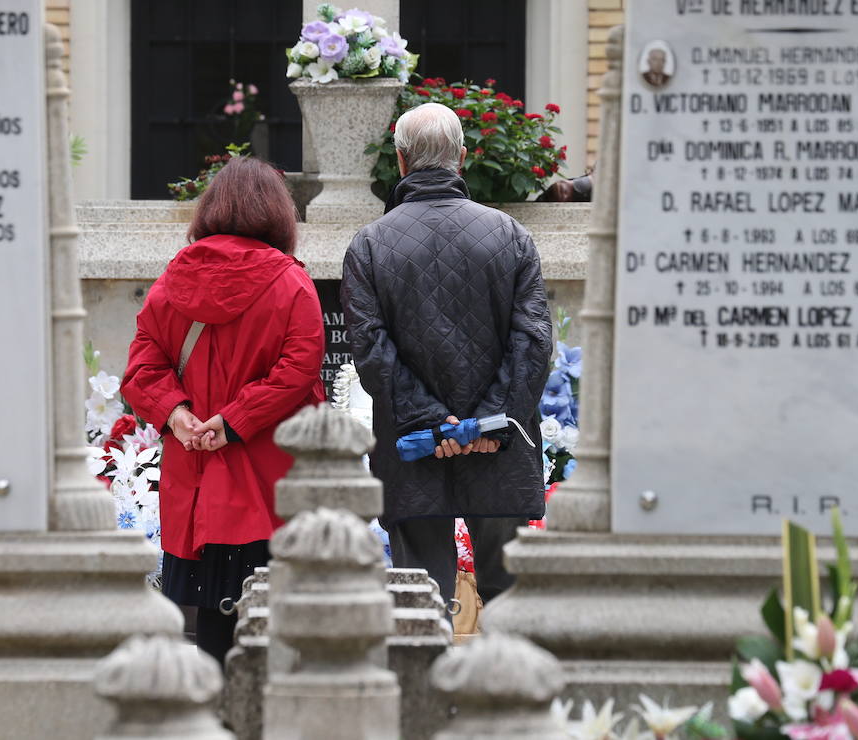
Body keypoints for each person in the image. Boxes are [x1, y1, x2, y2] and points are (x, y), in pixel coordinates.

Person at [341, 102, 552, 608]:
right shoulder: (511, 236)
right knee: (509, 605)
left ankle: (424, 688)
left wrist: (438, 427)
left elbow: (372, 352)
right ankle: (506, 687)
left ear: (401, 162)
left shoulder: (369, 245)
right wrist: (486, 426)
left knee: (420, 603)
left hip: (414, 448)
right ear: (461, 157)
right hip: (498, 448)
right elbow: (534, 342)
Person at [122, 156, 325, 662]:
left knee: (201, 630)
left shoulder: (174, 280)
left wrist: (175, 413)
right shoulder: (291, 283)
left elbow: (142, 368)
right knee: (268, 626)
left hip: (192, 482)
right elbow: (298, 371)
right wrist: (235, 421)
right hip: (263, 479)